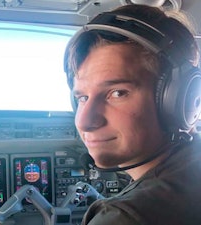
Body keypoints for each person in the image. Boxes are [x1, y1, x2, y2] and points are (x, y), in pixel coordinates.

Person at [64, 3, 201, 225]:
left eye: (117, 93)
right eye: (82, 98)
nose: (84, 121)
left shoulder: (125, 217)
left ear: (180, 100)